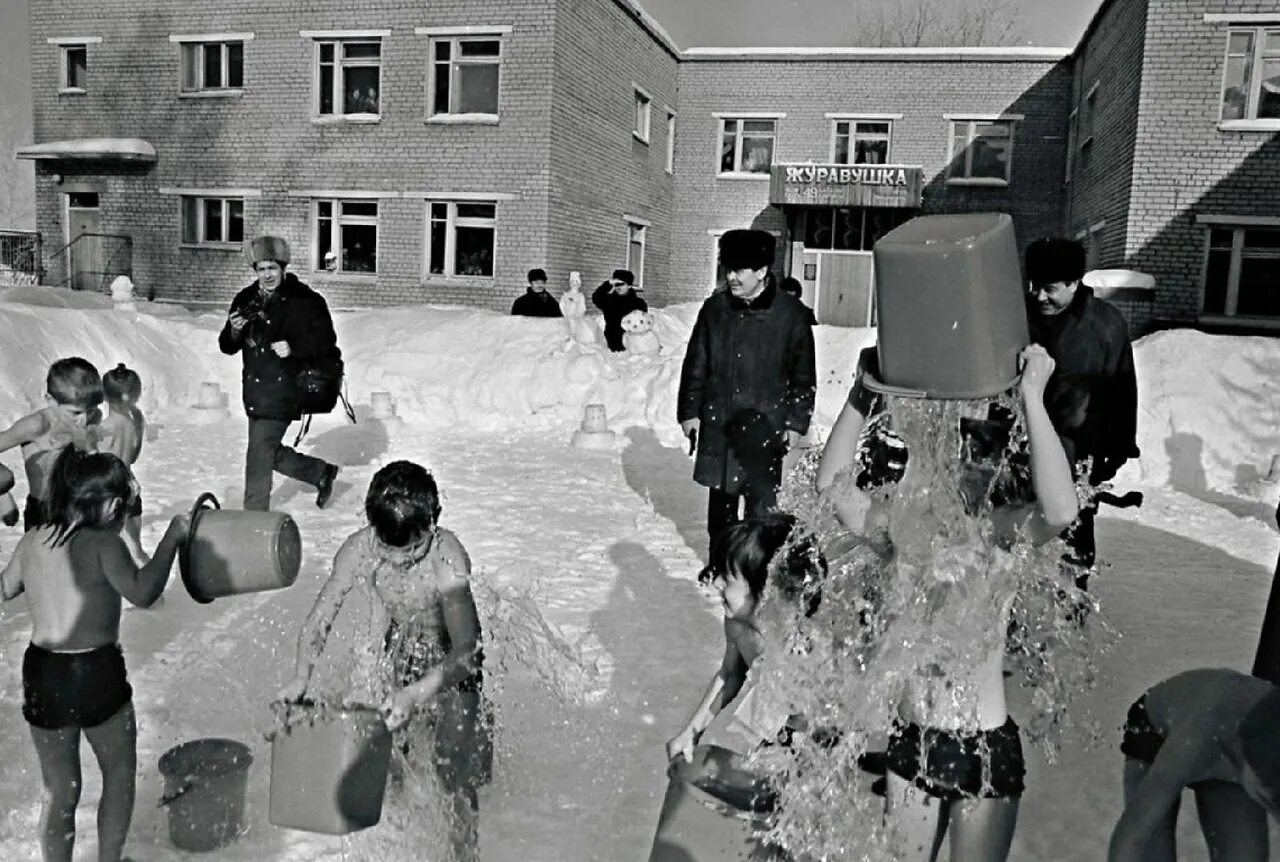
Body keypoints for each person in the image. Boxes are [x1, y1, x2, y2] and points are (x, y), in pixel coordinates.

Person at [876, 345, 1078, 862]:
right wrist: (862, 394)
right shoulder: (909, 531)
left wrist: (1032, 395)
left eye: (983, 452)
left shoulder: (1001, 534)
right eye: (960, 449)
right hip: (911, 737)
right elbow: (832, 494)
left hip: (983, 748)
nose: (968, 464)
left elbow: (1059, 510)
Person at [278, 460, 489, 861]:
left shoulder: (447, 559)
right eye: (388, 551)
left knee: (452, 775)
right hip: (404, 654)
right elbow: (319, 620)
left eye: (412, 550)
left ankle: (465, 854)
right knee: (395, 759)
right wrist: (301, 675)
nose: (399, 562)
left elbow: (469, 651)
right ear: (372, 527)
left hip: (453, 662)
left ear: (434, 523)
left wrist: (417, 693)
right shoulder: (360, 549)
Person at [0, 447, 188, 862]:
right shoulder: (105, 544)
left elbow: (5, 588)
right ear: (110, 505)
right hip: (94, 671)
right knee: (118, 775)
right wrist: (172, 539)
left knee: (60, 789)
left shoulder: (34, 540)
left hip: (43, 672)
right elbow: (143, 591)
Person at [677, 229, 817, 547]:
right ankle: (721, 569)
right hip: (720, 421)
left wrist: (796, 423)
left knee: (760, 513)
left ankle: (753, 577)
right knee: (721, 511)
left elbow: (803, 377)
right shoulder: (714, 310)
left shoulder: (790, 315)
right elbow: (696, 364)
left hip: (765, 426)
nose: (732, 277)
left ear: (762, 272)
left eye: (740, 270)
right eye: (729, 269)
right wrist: (689, 412)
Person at [1025, 237, 1139, 589]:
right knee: (1020, 539)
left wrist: (1117, 450)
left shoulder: (1105, 326)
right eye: (1032, 285)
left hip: (1078, 453)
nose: (1038, 296)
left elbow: (1123, 391)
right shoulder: (1017, 314)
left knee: (1072, 549)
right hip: (1021, 449)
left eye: (1049, 288)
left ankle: (1070, 618)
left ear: (1075, 283)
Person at [666, 513, 821, 763]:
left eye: (726, 579)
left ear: (765, 589)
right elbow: (730, 674)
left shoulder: (795, 635)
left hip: (815, 733)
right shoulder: (737, 624)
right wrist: (691, 732)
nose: (715, 583)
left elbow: (816, 712)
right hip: (782, 729)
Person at [218, 235, 341, 511]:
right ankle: (319, 472)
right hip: (255, 392)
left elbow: (326, 340)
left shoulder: (306, 301)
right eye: (261, 269)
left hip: (286, 389)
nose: (267, 275)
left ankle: (254, 518)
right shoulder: (246, 298)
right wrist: (235, 329)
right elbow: (227, 346)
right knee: (265, 452)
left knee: (258, 456)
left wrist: (295, 347)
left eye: (272, 268)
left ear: (283, 267)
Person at [1109, 667, 1280, 862]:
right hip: (1157, 732)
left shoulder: (1263, 755)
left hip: (1240, 735)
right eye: (1266, 802)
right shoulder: (1195, 742)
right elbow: (1132, 835)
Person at [0, 357, 103, 532]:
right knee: (41, 559)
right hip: (43, 511)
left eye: (90, 410)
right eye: (75, 412)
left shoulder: (93, 418)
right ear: (51, 400)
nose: (84, 419)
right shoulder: (37, 426)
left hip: (79, 507)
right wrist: (3, 487)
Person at [97, 363, 146, 550]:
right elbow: (132, 457)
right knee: (134, 548)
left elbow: (96, 461)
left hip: (109, 493)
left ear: (104, 395)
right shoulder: (135, 423)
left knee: (108, 550)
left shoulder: (106, 428)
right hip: (131, 489)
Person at [591, 269, 647, 352]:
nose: (618, 287)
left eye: (621, 284)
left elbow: (643, 325)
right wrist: (608, 283)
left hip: (633, 347)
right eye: (616, 284)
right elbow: (596, 297)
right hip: (612, 347)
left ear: (629, 285)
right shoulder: (609, 301)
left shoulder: (639, 303)